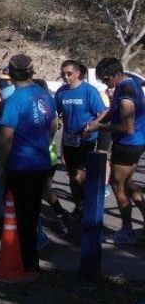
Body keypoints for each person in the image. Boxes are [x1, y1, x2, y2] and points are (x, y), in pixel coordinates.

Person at [0, 54, 58, 273]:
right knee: (32, 213)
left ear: (11, 74)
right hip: (41, 162)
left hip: (20, 165)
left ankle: (24, 261)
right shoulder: (44, 95)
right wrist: (43, 143)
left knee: (18, 215)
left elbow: (6, 138)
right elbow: (53, 125)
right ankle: (29, 258)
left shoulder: (14, 100)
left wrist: (0, 167)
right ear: (32, 72)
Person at [86, 58, 145, 245]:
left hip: (129, 143)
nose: (105, 83)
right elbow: (113, 111)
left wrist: (100, 128)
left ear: (117, 74)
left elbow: (127, 128)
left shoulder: (126, 92)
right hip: (133, 142)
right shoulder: (124, 85)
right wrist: (97, 122)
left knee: (118, 185)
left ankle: (127, 231)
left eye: (106, 79)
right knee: (127, 183)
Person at [54, 60, 107, 217]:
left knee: (79, 174)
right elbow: (57, 114)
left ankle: (87, 206)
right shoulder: (61, 92)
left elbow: (103, 112)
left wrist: (92, 124)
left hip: (86, 139)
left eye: (69, 73)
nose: (65, 76)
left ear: (77, 73)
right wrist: (57, 122)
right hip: (69, 138)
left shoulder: (88, 91)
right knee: (72, 175)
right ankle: (79, 206)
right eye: (63, 73)